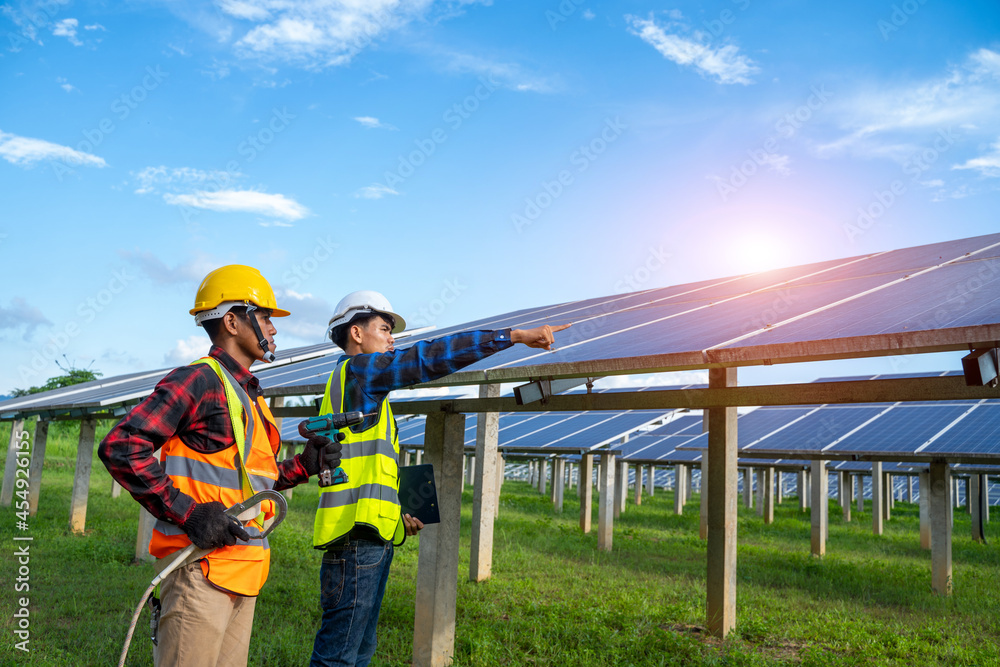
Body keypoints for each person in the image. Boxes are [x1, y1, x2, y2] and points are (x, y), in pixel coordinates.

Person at [308, 289, 569, 667]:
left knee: (359, 649)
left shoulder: (353, 389)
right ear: (356, 334)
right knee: (340, 656)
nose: (392, 338)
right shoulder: (361, 373)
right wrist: (512, 336)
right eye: (384, 328)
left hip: (367, 537)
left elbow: (361, 470)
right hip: (356, 543)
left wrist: (397, 511)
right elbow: (427, 358)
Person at [99, 264, 342, 667]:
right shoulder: (200, 379)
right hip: (200, 573)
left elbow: (254, 483)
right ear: (232, 320)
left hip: (243, 574)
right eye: (265, 317)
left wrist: (305, 465)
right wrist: (188, 513)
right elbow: (122, 446)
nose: (274, 329)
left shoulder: (248, 394)